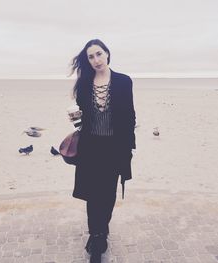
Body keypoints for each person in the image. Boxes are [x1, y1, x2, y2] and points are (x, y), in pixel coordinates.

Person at [68, 39, 136, 262]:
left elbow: (130, 116)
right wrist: (75, 120)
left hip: (115, 148)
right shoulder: (84, 83)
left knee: (107, 195)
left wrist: (128, 148)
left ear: (107, 54)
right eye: (91, 57)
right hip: (91, 148)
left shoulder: (124, 81)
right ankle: (96, 237)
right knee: (92, 194)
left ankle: (102, 228)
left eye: (99, 54)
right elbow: (81, 120)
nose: (96, 60)